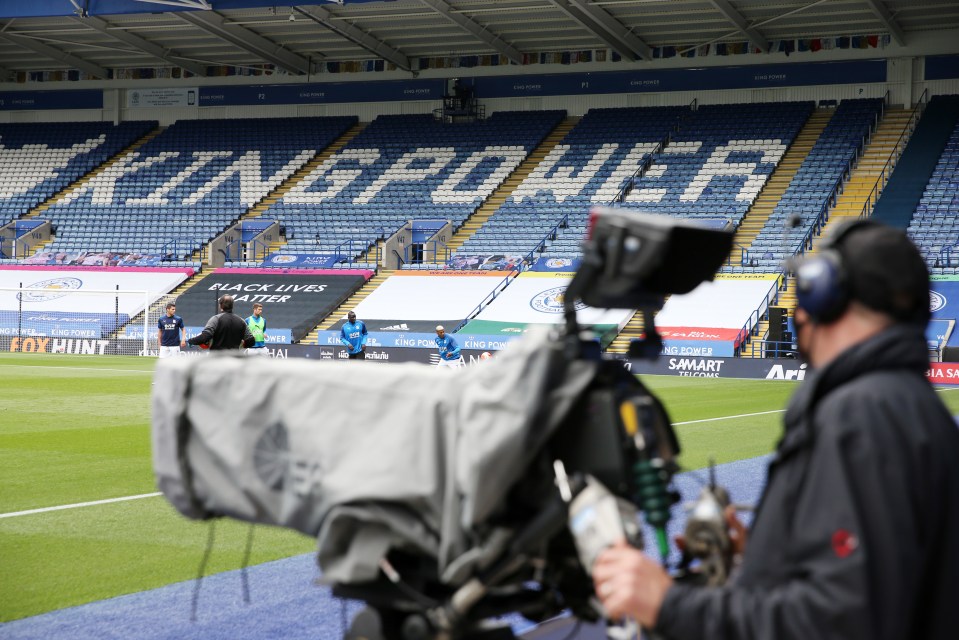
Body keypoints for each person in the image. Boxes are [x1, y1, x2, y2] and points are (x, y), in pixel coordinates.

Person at [592, 220, 959, 639]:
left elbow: (839, 622)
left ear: (824, 295)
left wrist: (669, 606)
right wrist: (773, 553)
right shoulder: (912, 406)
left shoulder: (860, 415)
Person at [187, 294, 256, 351]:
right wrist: (242, 344)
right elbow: (251, 341)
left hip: (218, 360)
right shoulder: (241, 321)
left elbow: (205, 336)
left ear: (220, 305)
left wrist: (191, 341)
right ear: (232, 306)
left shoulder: (215, 319)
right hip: (234, 361)